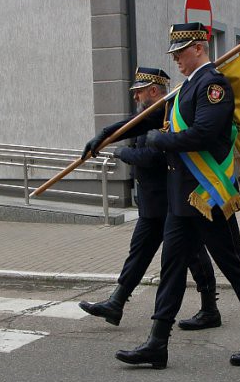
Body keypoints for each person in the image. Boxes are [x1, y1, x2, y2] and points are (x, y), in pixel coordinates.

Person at [114, 22, 240, 369]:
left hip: (207, 196)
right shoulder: (187, 88)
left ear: (199, 47)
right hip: (181, 198)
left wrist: (163, 141)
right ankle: (157, 342)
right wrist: (104, 136)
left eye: (180, 52)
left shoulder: (212, 85)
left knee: (234, 266)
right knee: (171, 269)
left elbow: (205, 132)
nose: (175, 59)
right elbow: (145, 120)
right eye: (173, 54)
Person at [79, 67, 220, 330]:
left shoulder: (167, 114)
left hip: (170, 202)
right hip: (151, 204)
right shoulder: (149, 115)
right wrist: (103, 135)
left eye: (139, 92)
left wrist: (122, 154)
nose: (135, 97)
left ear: (153, 91)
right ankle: (116, 302)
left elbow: (153, 157)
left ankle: (210, 308)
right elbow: (129, 125)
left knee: (193, 255)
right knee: (139, 253)